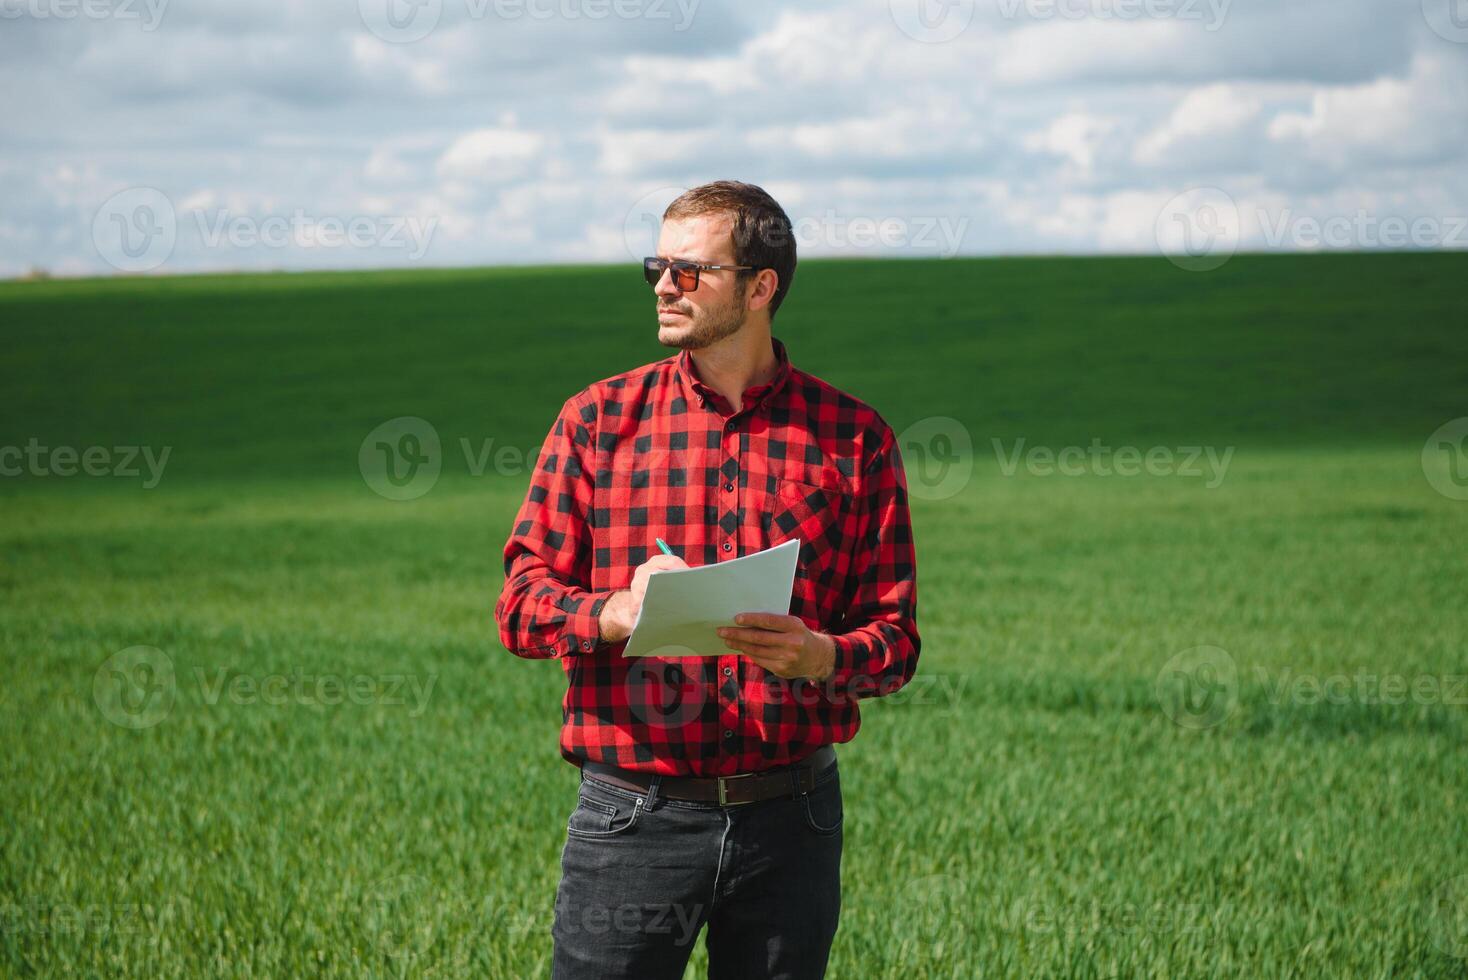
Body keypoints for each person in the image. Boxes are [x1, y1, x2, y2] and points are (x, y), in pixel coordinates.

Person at [494, 179, 921, 979]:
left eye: (691, 270)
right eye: (657, 265)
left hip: (793, 822)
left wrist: (820, 656)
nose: (663, 284)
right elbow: (519, 607)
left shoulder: (854, 438)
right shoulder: (596, 422)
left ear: (761, 288)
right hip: (631, 818)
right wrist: (616, 612)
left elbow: (895, 641)